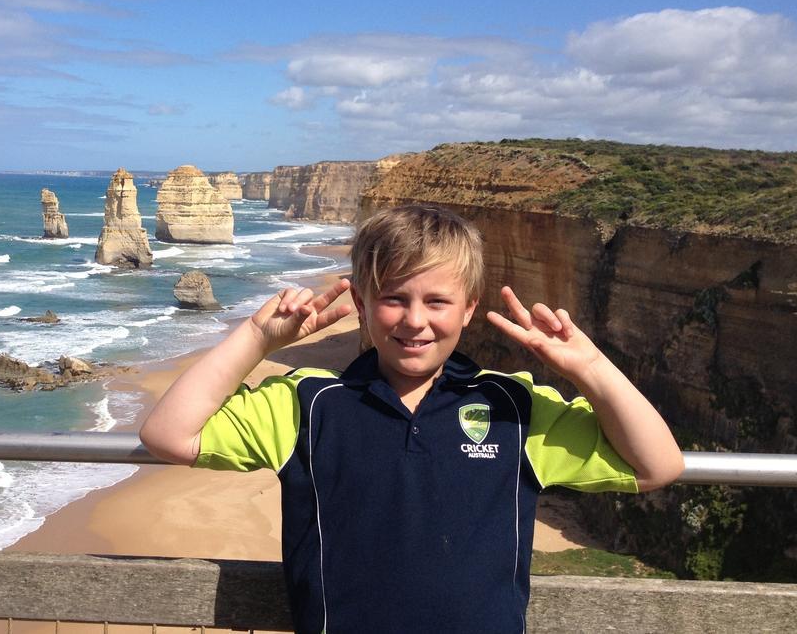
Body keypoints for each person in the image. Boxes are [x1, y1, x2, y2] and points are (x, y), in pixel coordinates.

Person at [140, 204, 683, 633]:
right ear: (360, 300)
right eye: (394, 298)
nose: (415, 321)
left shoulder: (512, 407)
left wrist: (590, 367)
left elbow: (657, 465)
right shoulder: (306, 405)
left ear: (469, 308)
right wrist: (258, 337)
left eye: (438, 302)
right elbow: (168, 433)